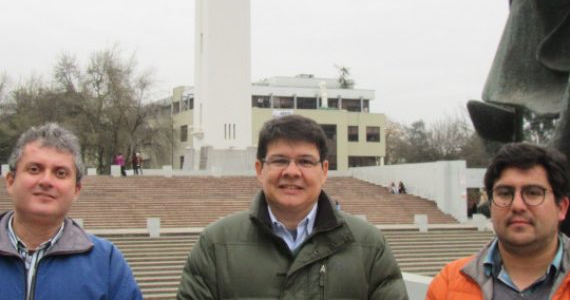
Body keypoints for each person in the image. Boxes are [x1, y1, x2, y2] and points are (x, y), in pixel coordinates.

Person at [177, 114, 408, 299]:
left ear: (325, 171)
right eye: (280, 160)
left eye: (305, 162)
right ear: (259, 169)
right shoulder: (215, 245)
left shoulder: (369, 246)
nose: (292, 171)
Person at [1, 123, 142, 299]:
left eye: (60, 173)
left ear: (76, 190)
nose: (46, 181)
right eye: (34, 169)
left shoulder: (106, 262)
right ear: (10, 181)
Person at [427, 142, 570, 299]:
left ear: (561, 207)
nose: (517, 205)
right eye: (505, 193)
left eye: (533, 193)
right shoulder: (447, 286)